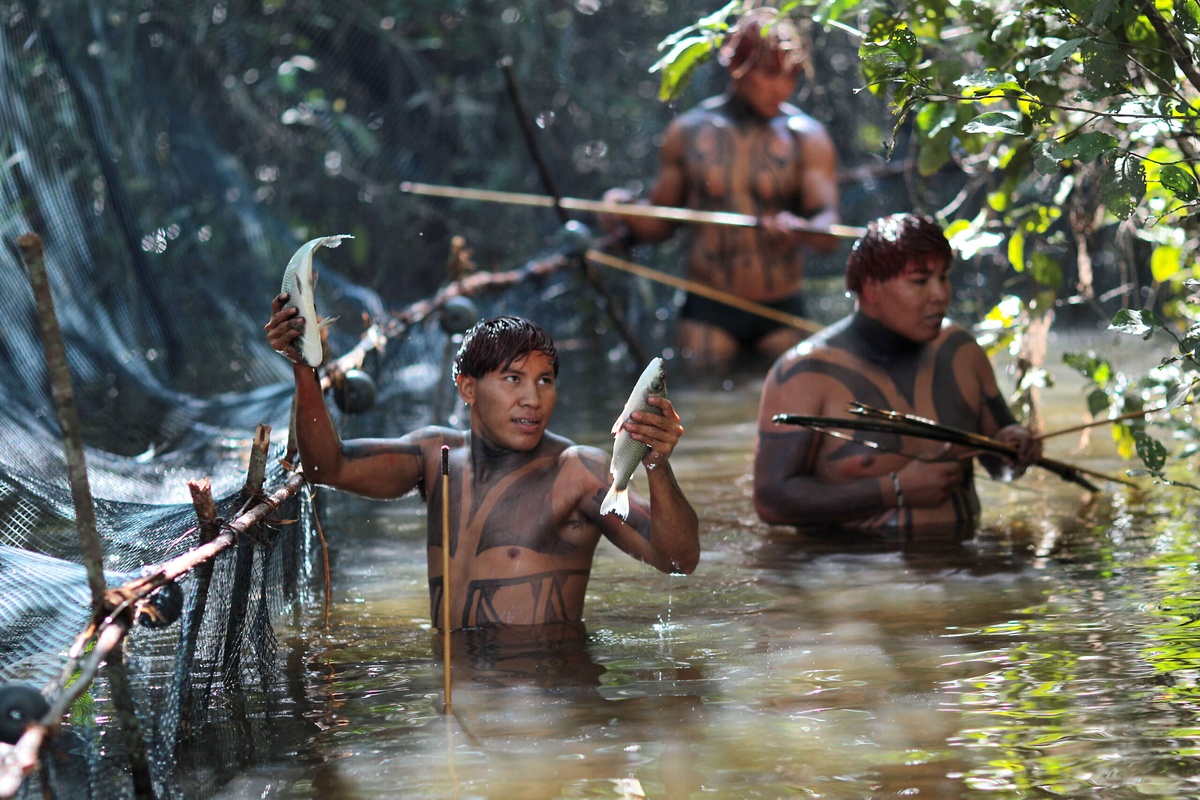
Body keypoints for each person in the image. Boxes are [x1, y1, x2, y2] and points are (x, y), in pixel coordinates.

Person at [265, 307, 699, 629]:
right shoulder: (437, 457)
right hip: (457, 709)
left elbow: (679, 559)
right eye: (513, 379)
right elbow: (326, 466)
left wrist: (656, 462)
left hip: (546, 709)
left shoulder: (577, 473)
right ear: (468, 387)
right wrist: (304, 366)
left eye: (545, 380)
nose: (533, 398)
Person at [753, 213, 1042, 531]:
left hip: (966, 567)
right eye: (920, 281)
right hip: (861, 572)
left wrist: (1017, 446)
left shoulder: (961, 351)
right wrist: (894, 489)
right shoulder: (804, 373)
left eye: (943, 277)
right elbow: (771, 501)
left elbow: (1001, 464)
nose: (940, 294)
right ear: (872, 288)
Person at [600, 10, 840, 371]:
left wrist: (800, 228)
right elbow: (662, 223)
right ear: (736, 67)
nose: (782, 87)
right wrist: (623, 212)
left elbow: (829, 227)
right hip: (708, 310)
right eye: (769, 74)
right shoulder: (688, 132)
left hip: (782, 307)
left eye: (790, 76)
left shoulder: (807, 137)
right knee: (704, 408)